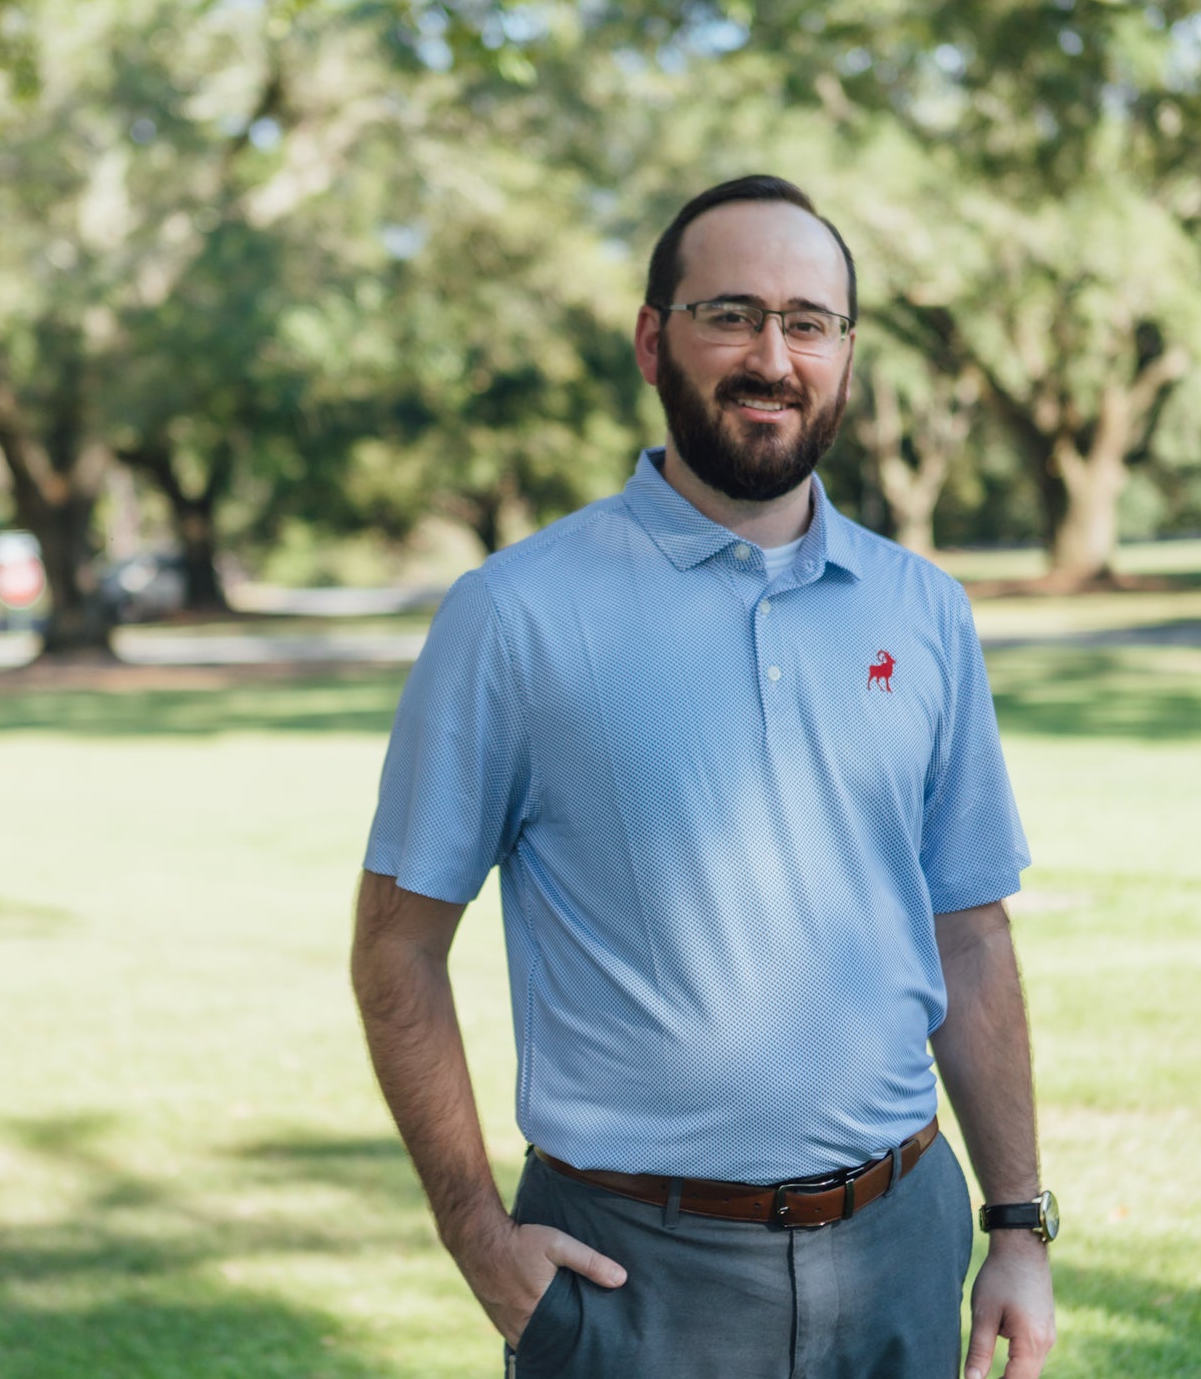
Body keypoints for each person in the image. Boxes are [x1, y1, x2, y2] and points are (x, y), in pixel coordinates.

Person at [351, 174, 1057, 1379]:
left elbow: (969, 938)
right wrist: (476, 1234)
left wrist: (1013, 1220)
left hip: (903, 1245)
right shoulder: (512, 616)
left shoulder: (923, 610)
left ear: (843, 351)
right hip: (636, 1277)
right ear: (650, 338)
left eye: (807, 321)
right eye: (729, 313)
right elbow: (397, 947)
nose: (770, 355)